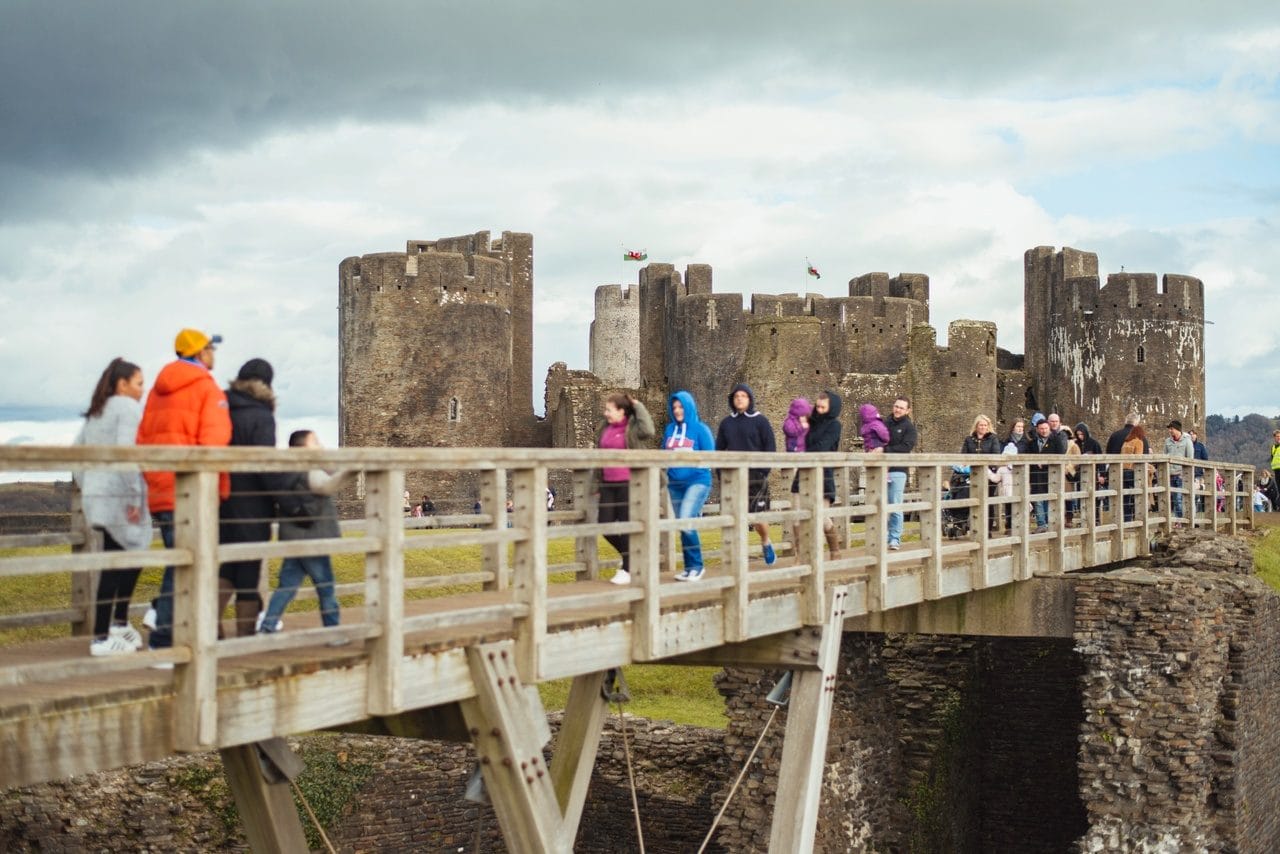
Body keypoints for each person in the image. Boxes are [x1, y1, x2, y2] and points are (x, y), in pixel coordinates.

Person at [136, 328, 232, 656]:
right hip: (191, 491)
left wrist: (155, 479)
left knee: (180, 560)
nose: (213, 354)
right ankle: (164, 642)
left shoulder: (156, 391)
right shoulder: (206, 387)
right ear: (199, 353)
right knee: (187, 565)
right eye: (210, 349)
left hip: (162, 488)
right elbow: (215, 441)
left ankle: (167, 623)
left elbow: (142, 441)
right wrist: (214, 489)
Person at [73, 358, 151, 656]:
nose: (142, 390)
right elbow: (126, 453)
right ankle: (103, 635)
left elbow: (76, 451)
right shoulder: (126, 407)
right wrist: (132, 498)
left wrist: (87, 484)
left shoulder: (96, 411)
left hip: (97, 495)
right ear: (123, 384)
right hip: (120, 495)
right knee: (121, 559)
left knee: (122, 556)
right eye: (139, 383)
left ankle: (116, 625)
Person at [218, 358, 288, 638]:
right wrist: (285, 500)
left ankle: (210, 627)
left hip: (221, 498)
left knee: (226, 564)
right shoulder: (261, 415)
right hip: (252, 503)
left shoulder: (222, 408)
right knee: (248, 569)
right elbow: (266, 465)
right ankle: (245, 634)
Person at [259, 430, 352, 639]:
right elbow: (327, 486)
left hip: (295, 537)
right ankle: (333, 633)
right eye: (315, 442)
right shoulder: (307, 470)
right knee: (326, 586)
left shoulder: (287, 471)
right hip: (312, 538)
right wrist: (354, 470)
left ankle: (267, 626)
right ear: (303, 448)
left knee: (287, 586)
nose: (320, 445)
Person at [715, 383, 779, 564]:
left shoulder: (760, 421)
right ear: (732, 400)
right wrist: (721, 473)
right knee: (734, 518)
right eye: (736, 396)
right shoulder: (726, 423)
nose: (740, 399)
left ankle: (765, 541)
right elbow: (719, 449)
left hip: (756, 476)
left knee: (758, 519)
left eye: (743, 396)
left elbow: (770, 447)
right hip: (733, 477)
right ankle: (738, 556)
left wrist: (763, 471)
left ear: (749, 399)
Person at [598, 392, 655, 585]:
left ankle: (627, 568)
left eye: (609, 409)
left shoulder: (632, 429)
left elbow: (649, 431)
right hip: (607, 483)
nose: (606, 413)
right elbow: (598, 453)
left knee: (626, 525)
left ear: (622, 411)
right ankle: (633, 557)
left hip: (628, 483)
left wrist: (638, 405)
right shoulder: (604, 428)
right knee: (604, 525)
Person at [663, 390, 715, 581]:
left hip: (697, 481)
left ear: (689, 406)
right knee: (682, 524)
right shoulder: (670, 430)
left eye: (681, 406)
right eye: (674, 407)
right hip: (675, 484)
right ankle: (689, 567)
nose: (677, 410)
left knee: (686, 519)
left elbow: (710, 455)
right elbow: (663, 454)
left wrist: (693, 469)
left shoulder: (701, 429)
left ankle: (698, 566)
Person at [868, 396, 916, 550]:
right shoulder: (883, 423)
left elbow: (906, 447)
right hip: (880, 469)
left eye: (901, 407)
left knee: (895, 505)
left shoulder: (909, 427)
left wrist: (884, 450)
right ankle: (880, 537)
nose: (897, 409)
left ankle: (894, 538)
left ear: (907, 410)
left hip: (897, 470)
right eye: (896, 406)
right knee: (878, 504)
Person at [804, 391, 844, 554]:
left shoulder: (834, 425)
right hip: (806, 472)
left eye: (823, 407)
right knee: (803, 515)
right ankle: (808, 556)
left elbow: (823, 446)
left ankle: (835, 551)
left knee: (822, 517)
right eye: (818, 406)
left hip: (823, 474)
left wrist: (805, 452)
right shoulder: (810, 423)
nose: (819, 409)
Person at [1024, 412, 1067, 532]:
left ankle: (1050, 522)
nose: (1043, 431)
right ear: (1037, 429)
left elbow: (1060, 455)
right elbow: (1027, 456)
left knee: (1050, 499)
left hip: (1051, 474)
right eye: (1041, 429)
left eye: (1046, 428)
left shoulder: (1056, 440)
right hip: (1036, 475)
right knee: (1038, 500)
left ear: (1049, 428)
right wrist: (1035, 461)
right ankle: (1041, 524)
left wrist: (1046, 461)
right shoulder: (1032, 443)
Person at [961, 414, 1000, 534]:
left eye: (985, 425)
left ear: (988, 426)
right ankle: (974, 528)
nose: (983, 427)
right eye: (980, 425)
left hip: (988, 474)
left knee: (987, 501)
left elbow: (996, 454)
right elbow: (964, 455)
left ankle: (987, 529)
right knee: (973, 500)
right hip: (972, 474)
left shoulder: (993, 438)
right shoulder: (969, 439)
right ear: (976, 426)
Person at [1120, 423, 1150, 523]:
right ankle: (1139, 519)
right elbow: (1138, 458)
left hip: (1122, 471)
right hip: (1132, 471)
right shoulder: (1138, 442)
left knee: (1125, 497)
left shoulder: (1126, 442)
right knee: (1138, 495)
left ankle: (1126, 520)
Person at [1164, 420, 1194, 520]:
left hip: (1182, 475)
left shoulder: (1187, 441)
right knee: (1175, 499)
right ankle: (1179, 520)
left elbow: (1190, 458)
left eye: (1171, 428)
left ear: (1177, 429)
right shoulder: (1167, 441)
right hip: (1171, 474)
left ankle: (1182, 519)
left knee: (1179, 498)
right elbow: (1164, 456)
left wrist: (1185, 474)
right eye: (1169, 429)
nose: (1170, 431)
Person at [1075, 422, 1103, 518]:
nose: (1080, 436)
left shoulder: (1094, 443)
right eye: (1078, 434)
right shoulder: (1075, 444)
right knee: (1081, 496)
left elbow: (1101, 459)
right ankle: (1083, 517)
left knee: (1094, 497)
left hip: (1093, 474)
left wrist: (1102, 474)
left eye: (1081, 434)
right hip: (1080, 474)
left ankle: (1096, 518)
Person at [1189, 429, 1209, 513]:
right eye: (1190, 434)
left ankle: (1196, 513)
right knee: (1189, 494)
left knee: (1196, 495)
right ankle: (1192, 512)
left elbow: (1205, 458)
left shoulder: (1200, 446)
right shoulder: (1187, 445)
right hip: (1188, 473)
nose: (1192, 435)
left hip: (1197, 473)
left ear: (1196, 435)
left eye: (1193, 434)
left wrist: (1201, 468)